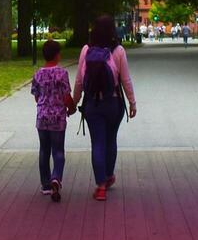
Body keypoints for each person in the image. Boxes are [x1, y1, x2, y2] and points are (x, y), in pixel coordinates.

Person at [73, 14, 137, 201]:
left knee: (97, 143)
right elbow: (125, 80)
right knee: (111, 140)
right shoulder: (118, 51)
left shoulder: (86, 50)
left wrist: (75, 101)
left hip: (92, 103)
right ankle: (108, 176)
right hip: (113, 103)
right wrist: (132, 102)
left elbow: (79, 80)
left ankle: (100, 186)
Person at [30, 39, 74, 202]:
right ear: (57, 55)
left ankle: (45, 185)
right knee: (58, 151)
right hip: (58, 118)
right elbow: (66, 96)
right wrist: (72, 107)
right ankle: (56, 177)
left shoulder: (38, 74)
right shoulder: (62, 73)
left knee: (44, 150)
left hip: (42, 117)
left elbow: (36, 97)